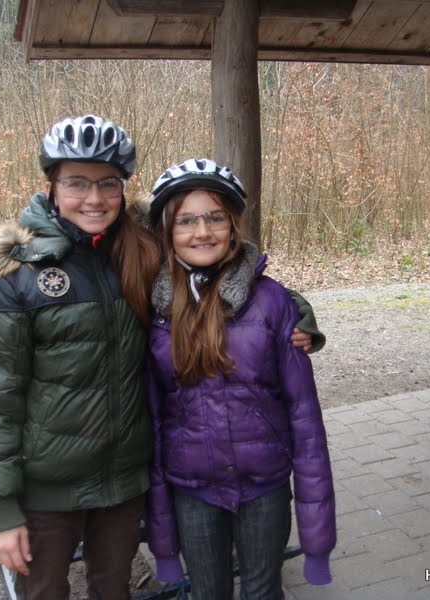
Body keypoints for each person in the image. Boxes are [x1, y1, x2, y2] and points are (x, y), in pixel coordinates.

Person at [0, 116, 322, 600]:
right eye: (77, 183)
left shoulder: (139, 251)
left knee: (113, 590)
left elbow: (218, 273)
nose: (94, 198)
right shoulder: (18, 276)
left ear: (122, 188)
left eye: (108, 184)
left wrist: (296, 310)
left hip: (123, 480)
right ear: (51, 186)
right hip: (49, 485)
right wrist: (1, 508)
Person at [145, 158, 337, 600]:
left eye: (215, 218)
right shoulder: (153, 309)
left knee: (261, 591)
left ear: (233, 226)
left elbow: (305, 419)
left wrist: (317, 543)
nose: (202, 232)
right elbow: (153, 419)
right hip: (191, 487)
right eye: (186, 221)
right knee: (206, 592)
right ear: (167, 231)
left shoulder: (271, 302)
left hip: (263, 484)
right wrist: (164, 545)